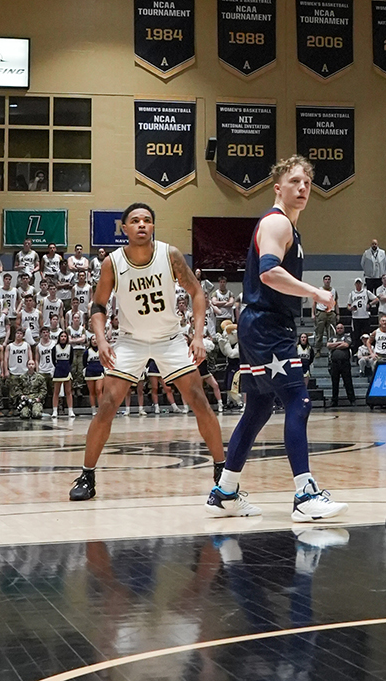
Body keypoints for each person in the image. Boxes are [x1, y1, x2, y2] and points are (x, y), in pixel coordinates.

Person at [66, 203, 236, 507]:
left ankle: (222, 472)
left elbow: (198, 293)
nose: (141, 224)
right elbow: (98, 306)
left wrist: (197, 336)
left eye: (147, 220)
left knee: (199, 400)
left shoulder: (169, 255)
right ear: (124, 229)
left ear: (153, 227)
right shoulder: (113, 263)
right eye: (135, 220)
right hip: (130, 341)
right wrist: (102, 340)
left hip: (169, 340)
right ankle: (87, 476)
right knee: (106, 405)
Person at [210, 158, 348, 521]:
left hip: (260, 324)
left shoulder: (289, 227)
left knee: (258, 407)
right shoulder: (276, 222)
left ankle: (225, 491)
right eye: (295, 181)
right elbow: (269, 272)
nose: (303, 188)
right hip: (268, 325)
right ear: (278, 187)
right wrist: (316, 293)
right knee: (298, 401)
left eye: (307, 182)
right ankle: (304, 495)